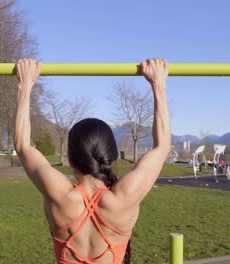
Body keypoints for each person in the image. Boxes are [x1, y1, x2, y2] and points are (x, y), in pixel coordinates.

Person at [15, 58, 170, 264]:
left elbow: (23, 146)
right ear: (111, 156)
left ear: (70, 159)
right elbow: (162, 148)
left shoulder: (60, 196)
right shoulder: (124, 198)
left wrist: (25, 84)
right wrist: (158, 83)